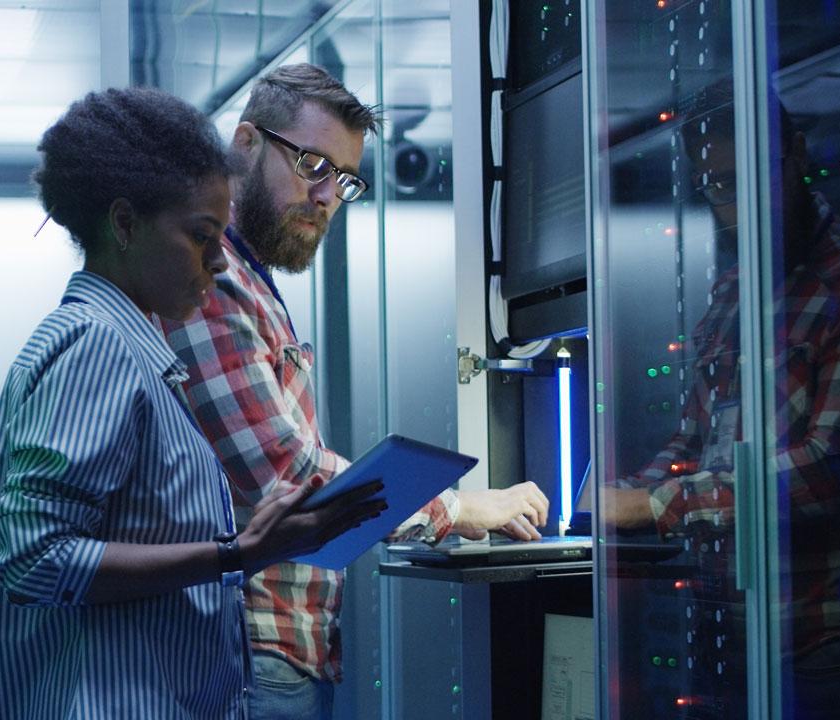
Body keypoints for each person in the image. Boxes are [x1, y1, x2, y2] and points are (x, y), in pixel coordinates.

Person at [0, 86, 386, 720]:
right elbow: (34, 561)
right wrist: (236, 555)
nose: (219, 262)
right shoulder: (97, 345)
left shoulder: (135, 350)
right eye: (200, 236)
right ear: (126, 225)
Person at [160, 63, 550, 719]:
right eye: (311, 163)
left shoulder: (248, 281)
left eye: (343, 180)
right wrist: (460, 508)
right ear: (247, 143)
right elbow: (292, 480)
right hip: (247, 652)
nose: (326, 196)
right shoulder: (212, 282)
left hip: (272, 652)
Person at [601, 86, 840, 718]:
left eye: (752, 175)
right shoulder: (735, 290)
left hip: (829, 646)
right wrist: (609, 500)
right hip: (731, 642)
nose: (740, 205)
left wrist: (654, 503)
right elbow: (694, 440)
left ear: (794, 154)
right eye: (720, 187)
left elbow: (829, 470)